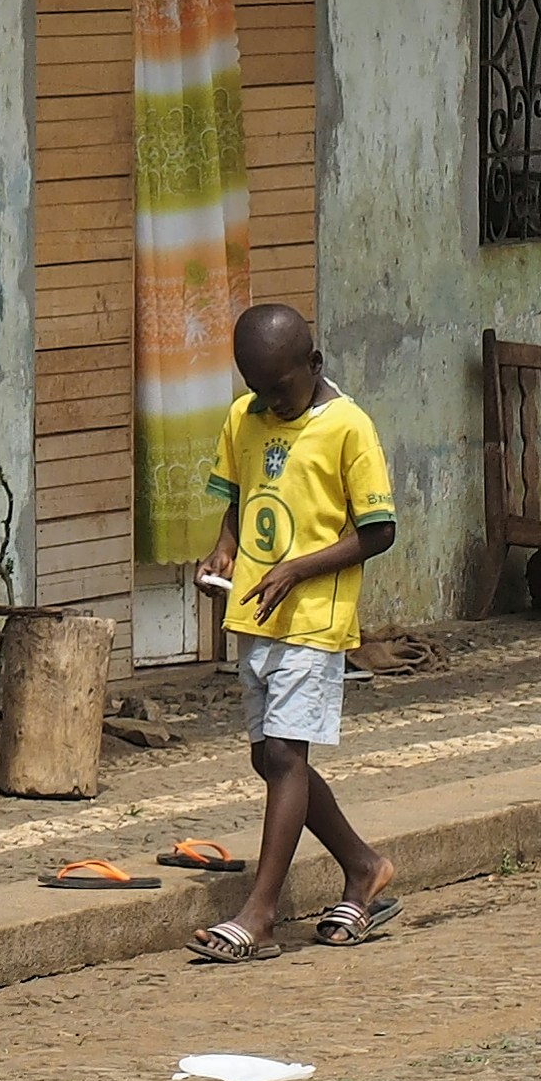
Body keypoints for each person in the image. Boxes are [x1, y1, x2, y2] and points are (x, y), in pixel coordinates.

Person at [188, 301, 400, 963]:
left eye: (280, 389)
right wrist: (223, 552)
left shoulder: (348, 427)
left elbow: (378, 531)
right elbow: (237, 497)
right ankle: (364, 867)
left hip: (315, 616)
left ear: (314, 364)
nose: (270, 403)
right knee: (271, 760)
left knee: (284, 756)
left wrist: (297, 570)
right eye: (257, 390)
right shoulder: (243, 419)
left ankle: (261, 912)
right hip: (254, 612)